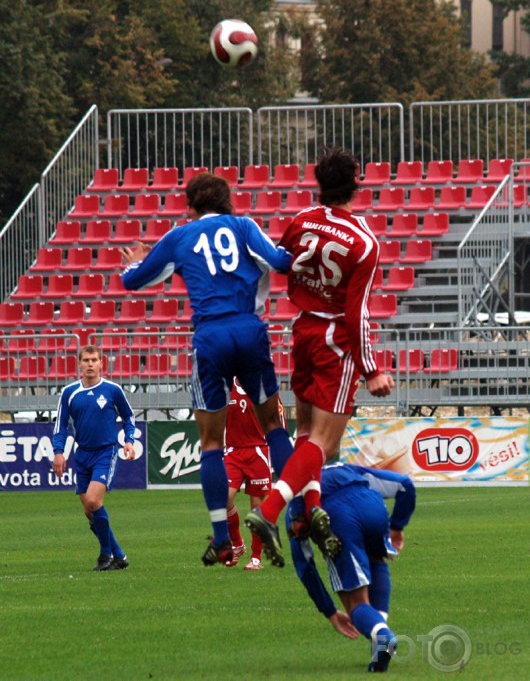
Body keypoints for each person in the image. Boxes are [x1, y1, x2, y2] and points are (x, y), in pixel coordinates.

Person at [120, 172, 294, 567]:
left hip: (210, 337)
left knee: (212, 442)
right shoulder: (244, 226)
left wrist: (130, 265)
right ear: (227, 201)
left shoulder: (179, 236)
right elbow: (281, 262)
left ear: (190, 206)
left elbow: (134, 282)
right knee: (274, 427)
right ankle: (295, 512)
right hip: (249, 331)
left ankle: (220, 538)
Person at [246, 146, 395, 567]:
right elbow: (356, 312)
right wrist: (371, 369)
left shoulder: (300, 221)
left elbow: (280, 262)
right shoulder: (364, 241)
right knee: (325, 444)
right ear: (357, 182)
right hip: (334, 341)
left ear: (319, 183)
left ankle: (307, 513)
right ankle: (270, 509)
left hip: (303, 330)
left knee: (307, 434)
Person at [287, 461, 416, 673]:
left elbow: (304, 565)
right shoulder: (346, 468)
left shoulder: (297, 497)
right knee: (376, 559)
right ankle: (378, 638)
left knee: (355, 602)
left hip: (336, 516)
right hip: (371, 505)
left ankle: (383, 637)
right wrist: (397, 527)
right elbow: (405, 485)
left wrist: (329, 611)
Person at [52, 345, 137, 571]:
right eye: (86, 360)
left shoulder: (112, 390)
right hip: (83, 454)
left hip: (105, 453)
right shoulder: (70, 393)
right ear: (79, 364)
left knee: (92, 500)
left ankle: (105, 554)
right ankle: (118, 555)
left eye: (94, 360)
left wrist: (129, 440)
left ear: (102, 363)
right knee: (89, 511)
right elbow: (60, 425)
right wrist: (58, 451)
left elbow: (129, 417)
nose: (90, 364)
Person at [224, 378, 289, 570]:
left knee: (257, 508)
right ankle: (237, 544)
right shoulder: (228, 384)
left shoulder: (265, 388)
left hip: (258, 451)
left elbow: (279, 422)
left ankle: (255, 557)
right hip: (233, 451)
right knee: (224, 498)